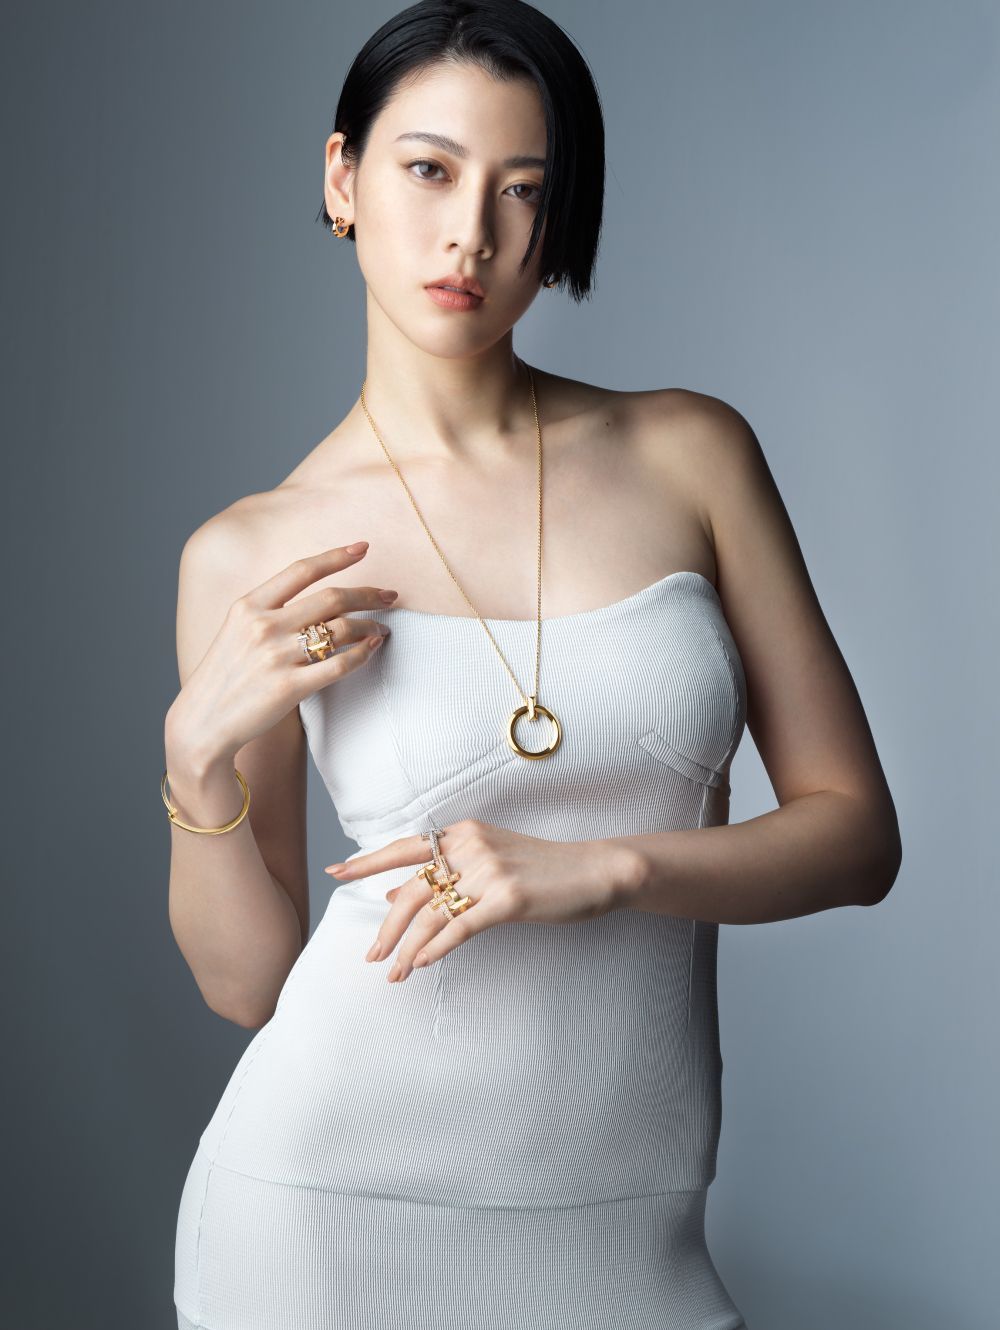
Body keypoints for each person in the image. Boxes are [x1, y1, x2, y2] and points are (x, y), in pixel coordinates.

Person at [167, 2, 902, 1327]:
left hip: (631, 1226)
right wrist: (191, 765)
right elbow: (248, 986)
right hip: (329, 1217)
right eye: (429, 170)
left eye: (523, 190)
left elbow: (858, 839)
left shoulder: (691, 455)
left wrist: (609, 868)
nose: (471, 235)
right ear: (343, 179)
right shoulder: (252, 551)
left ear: (559, 222)